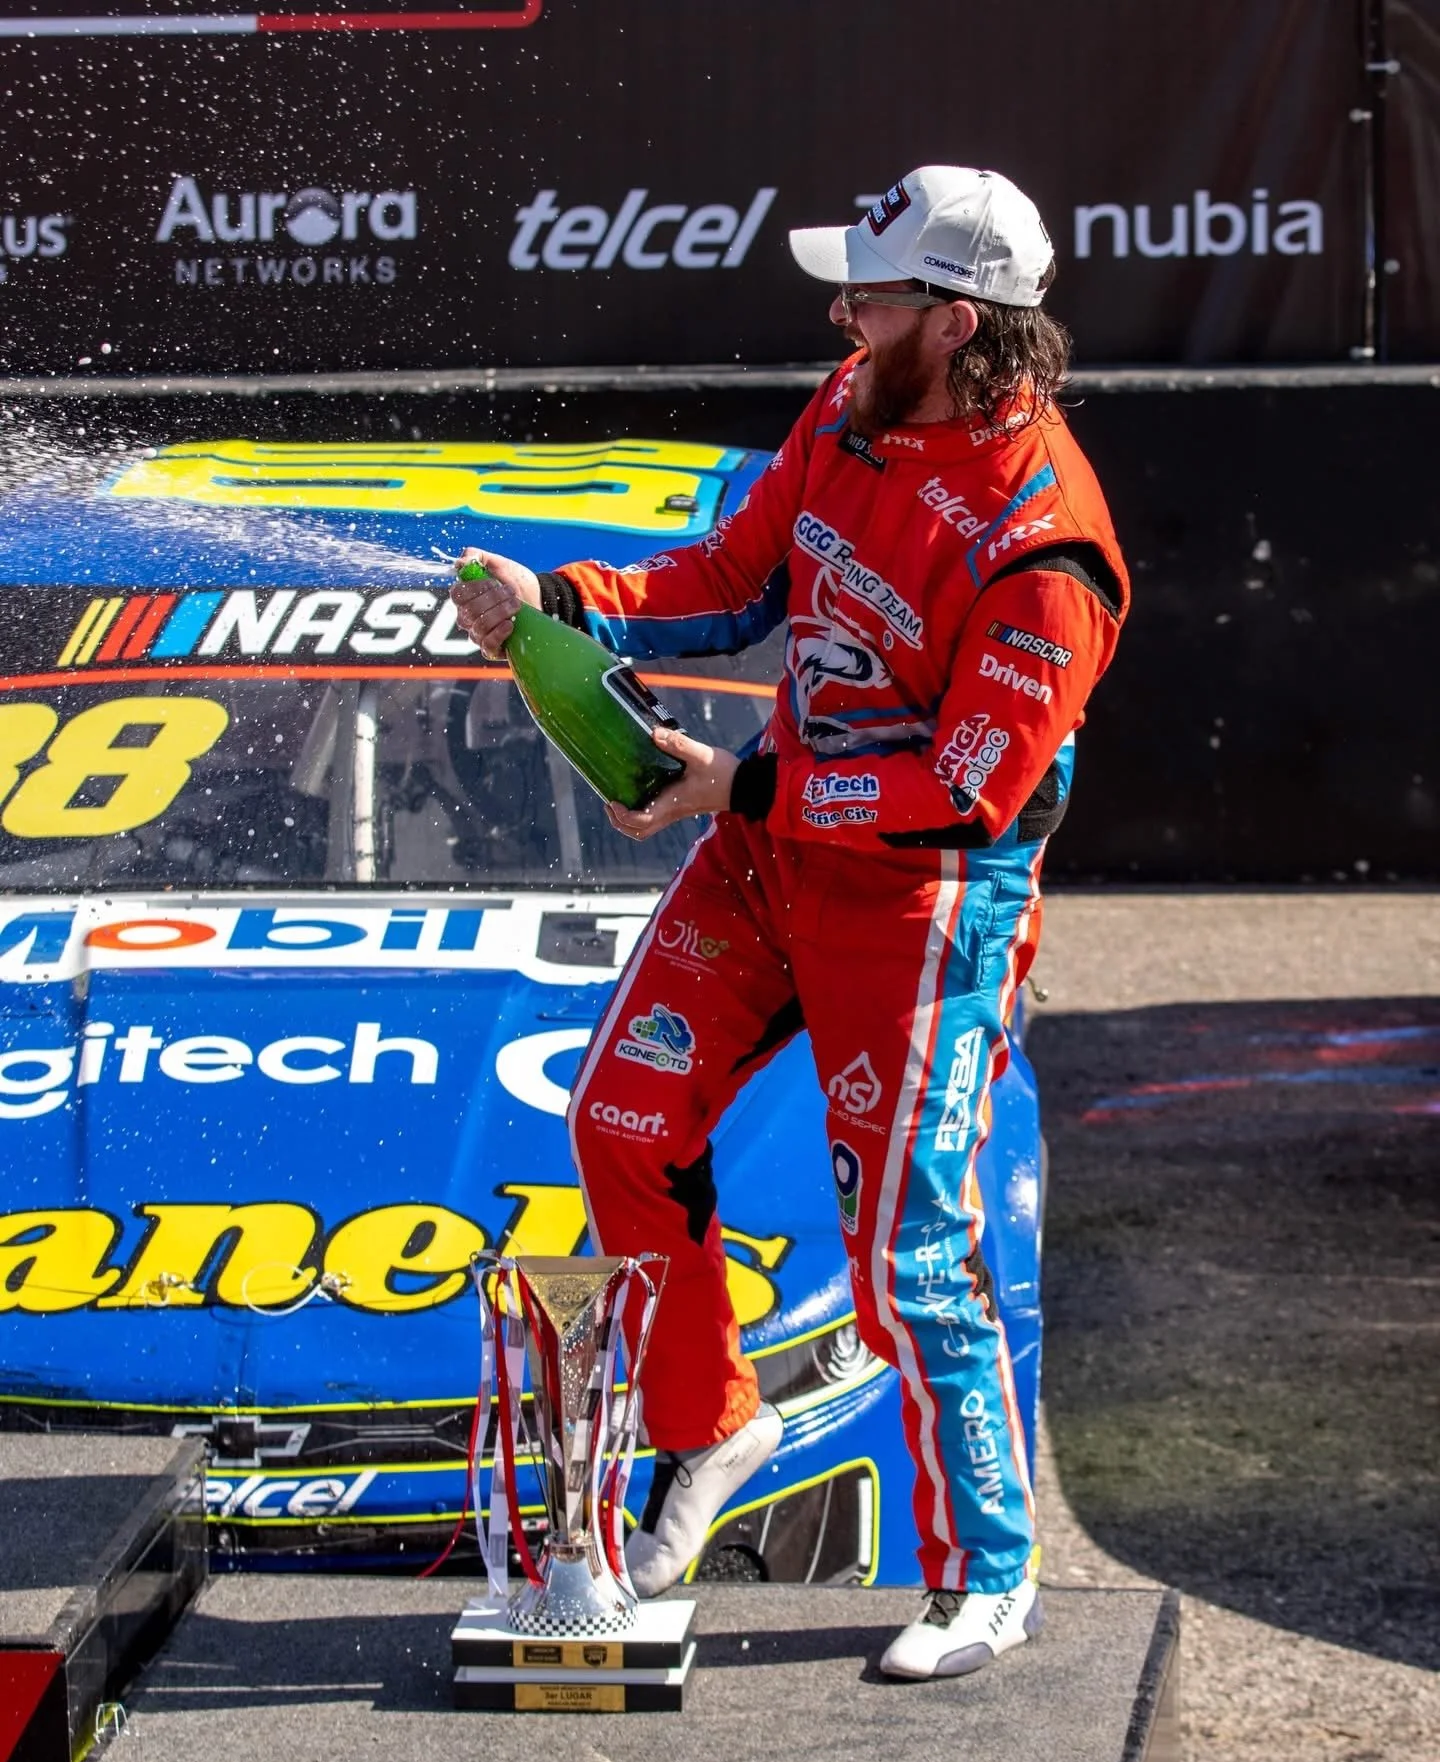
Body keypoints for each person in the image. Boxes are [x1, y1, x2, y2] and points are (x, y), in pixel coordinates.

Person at [452, 165, 1128, 1681]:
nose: (840, 313)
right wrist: (558, 593)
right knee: (622, 1118)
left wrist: (738, 785)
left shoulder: (1047, 547)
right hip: (766, 843)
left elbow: (969, 796)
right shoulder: (849, 406)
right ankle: (713, 1420)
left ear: (957, 324)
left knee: (911, 1252)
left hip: (923, 905)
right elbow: (729, 576)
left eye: (871, 298)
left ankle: (990, 1574)